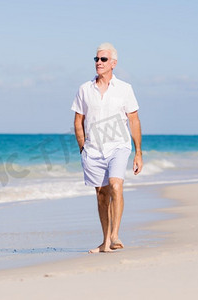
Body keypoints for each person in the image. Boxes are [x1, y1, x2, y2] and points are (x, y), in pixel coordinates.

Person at [71, 42, 143, 253]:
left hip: (119, 146)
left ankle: (115, 235)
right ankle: (105, 242)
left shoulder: (125, 89)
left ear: (113, 63)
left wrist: (138, 152)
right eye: (96, 59)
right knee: (102, 195)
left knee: (116, 185)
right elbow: (78, 120)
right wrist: (83, 148)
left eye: (103, 59)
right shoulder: (84, 89)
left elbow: (134, 120)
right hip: (93, 150)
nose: (99, 63)